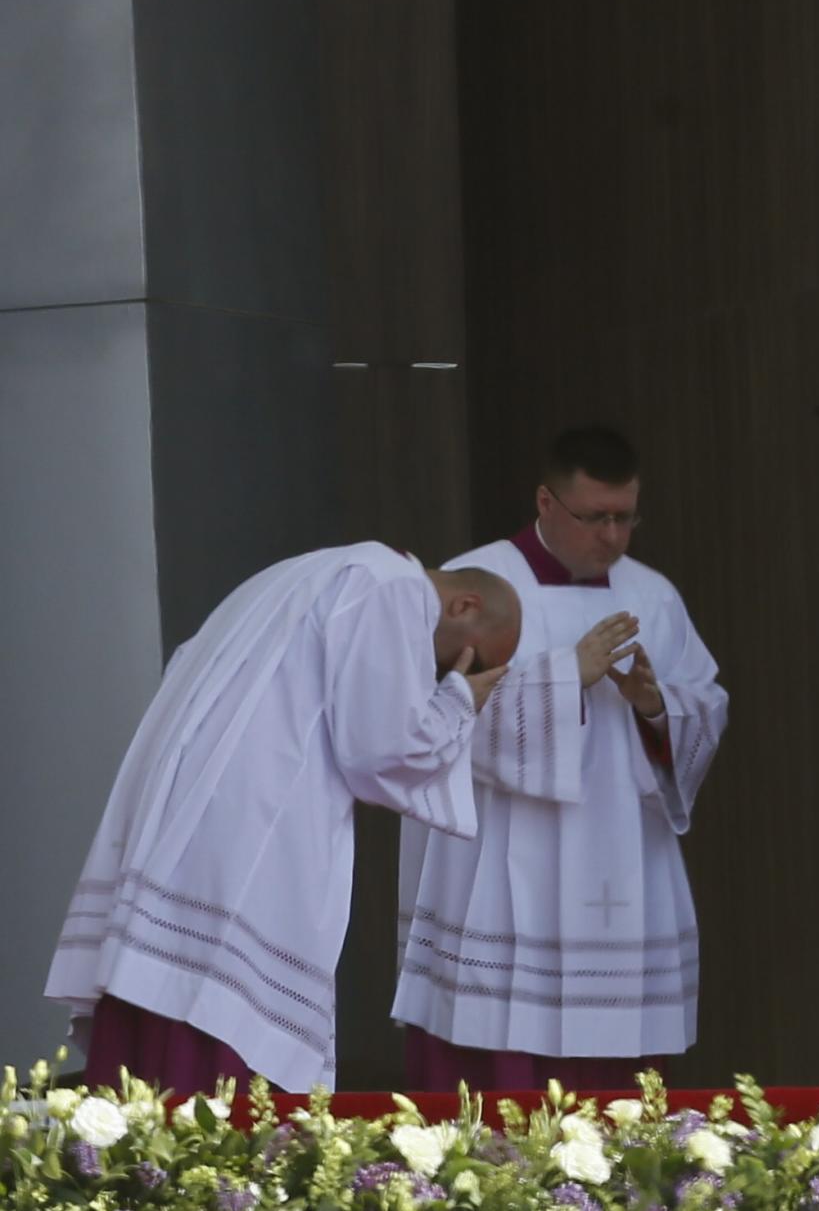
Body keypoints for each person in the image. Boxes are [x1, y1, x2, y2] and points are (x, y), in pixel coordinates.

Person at [46, 544, 519, 1094]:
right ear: (463, 606)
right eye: (472, 658)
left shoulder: (300, 573)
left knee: (172, 994)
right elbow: (380, 752)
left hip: (196, 813)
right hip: (256, 825)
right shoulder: (393, 588)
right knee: (219, 1019)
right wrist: (459, 700)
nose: (447, 671)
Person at [394, 426, 728, 1090]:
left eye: (624, 517)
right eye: (594, 516)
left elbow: (706, 702)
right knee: (501, 1064)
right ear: (547, 502)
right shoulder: (476, 587)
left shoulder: (653, 595)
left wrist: (656, 704)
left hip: (625, 856)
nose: (610, 536)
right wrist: (564, 676)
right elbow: (433, 718)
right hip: (501, 856)